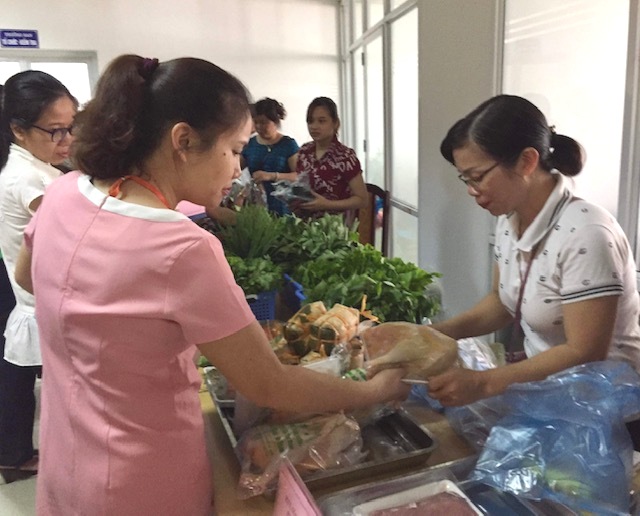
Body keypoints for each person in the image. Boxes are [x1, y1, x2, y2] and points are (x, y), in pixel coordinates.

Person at [14, 55, 410, 515]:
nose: (237, 169)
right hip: (144, 480)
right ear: (183, 141)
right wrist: (373, 392)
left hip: (66, 459)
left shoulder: (65, 193)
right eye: (235, 150)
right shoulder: (181, 247)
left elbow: (28, 276)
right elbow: (268, 385)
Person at [425, 94, 640, 408]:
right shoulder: (510, 219)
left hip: (605, 406)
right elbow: (502, 302)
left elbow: (584, 351)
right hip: (549, 393)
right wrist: (435, 335)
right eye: (465, 179)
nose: (471, 190)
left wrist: (485, 382)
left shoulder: (587, 234)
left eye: (478, 177)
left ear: (526, 161)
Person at [0, 72, 77, 476]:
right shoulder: (28, 177)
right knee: (55, 390)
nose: (67, 140)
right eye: (55, 131)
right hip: (42, 302)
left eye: (71, 127)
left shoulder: (40, 167)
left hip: (45, 299)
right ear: (19, 130)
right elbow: (76, 230)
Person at [295, 96, 368, 219]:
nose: (314, 126)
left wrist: (327, 204)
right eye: (310, 121)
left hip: (334, 226)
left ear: (335, 123)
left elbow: (362, 200)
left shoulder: (345, 156)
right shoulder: (304, 151)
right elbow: (300, 185)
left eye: (321, 121)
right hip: (303, 223)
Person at [241, 97, 299, 215]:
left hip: (284, 206)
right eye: (256, 122)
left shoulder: (288, 144)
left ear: (275, 121)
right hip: (258, 205)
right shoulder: (250, 144)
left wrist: (272, 176)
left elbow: (298, 176)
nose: (259, 126)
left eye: (263, 122)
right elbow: (235, 168)